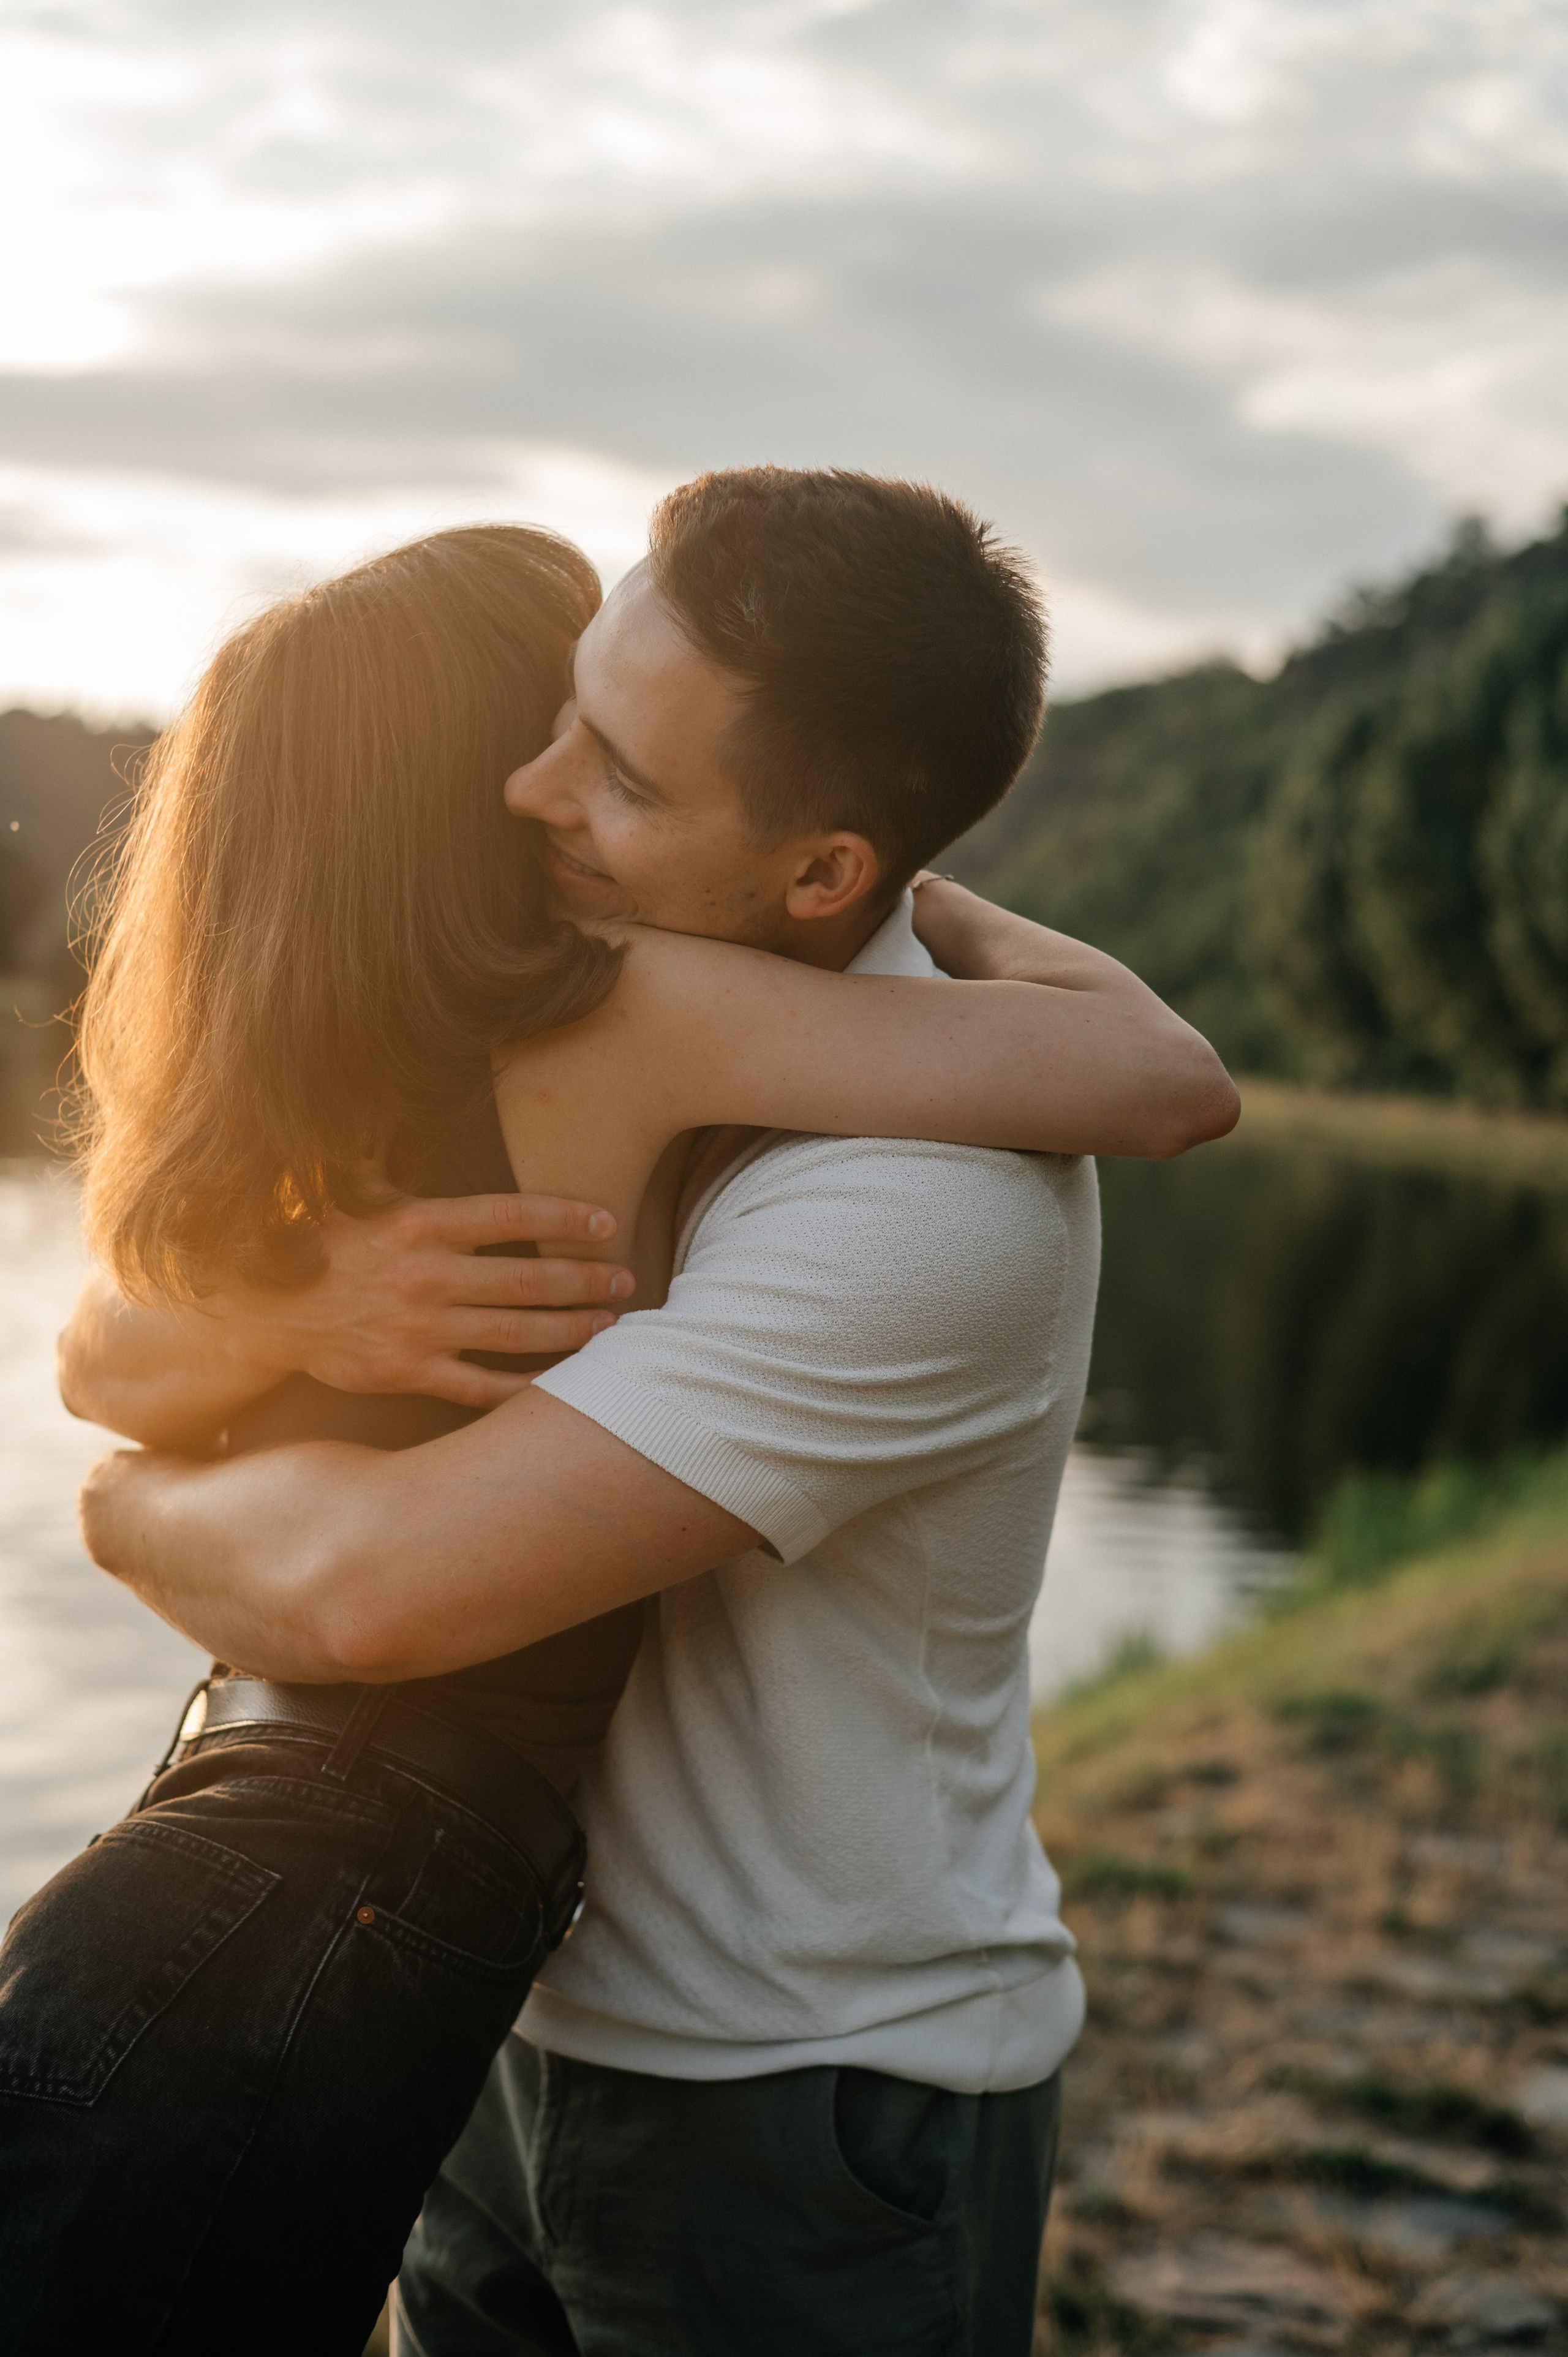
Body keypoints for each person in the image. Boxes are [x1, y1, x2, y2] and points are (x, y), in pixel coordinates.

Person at [61, 471, 1238, 2355]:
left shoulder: (918, 1199)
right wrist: (299, 1301)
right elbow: (114, 1332)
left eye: (611, 768)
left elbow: (371, 1591)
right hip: (490, 2013)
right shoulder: (558, 1026)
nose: (533, 793)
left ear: (823, 871)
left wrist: (125, 1514)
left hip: (795, 2089)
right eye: (557, 714)